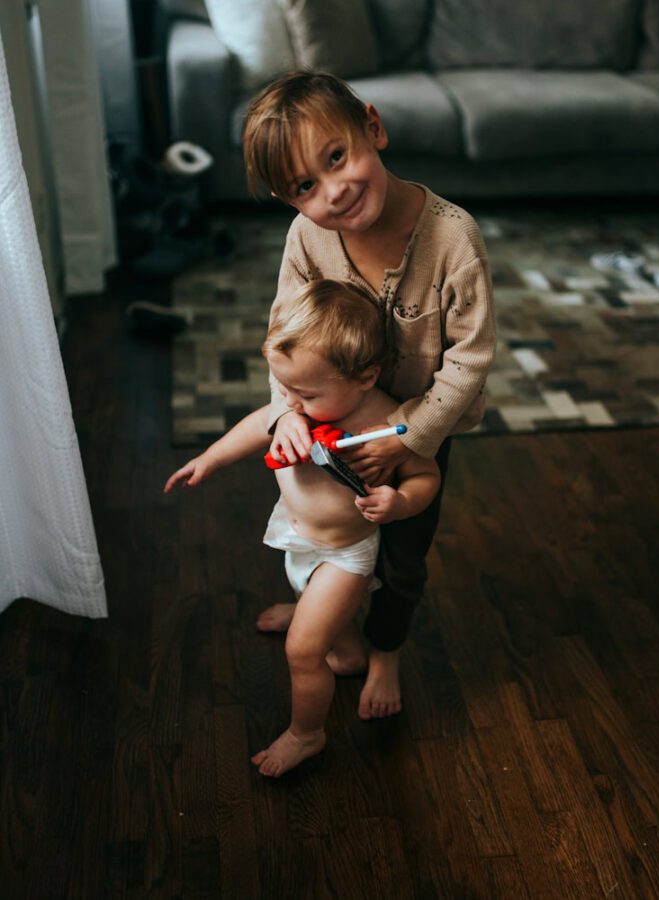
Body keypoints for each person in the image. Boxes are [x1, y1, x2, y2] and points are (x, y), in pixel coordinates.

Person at [243, 71, 496, 721]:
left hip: (415, 434)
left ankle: (384, 650)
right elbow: (283, 334)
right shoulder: (307, 239)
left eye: (337, 157)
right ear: (286, 200)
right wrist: (287, 411)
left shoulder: (452, 237)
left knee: (402, 555)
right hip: (332, 417)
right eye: (305, 186)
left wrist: (409, 438)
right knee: (319, 524)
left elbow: (470, 356)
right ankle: (321, 610)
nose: (334, 189)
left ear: (373, 129)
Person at [164, 279, 440, 777]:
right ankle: (347, 650)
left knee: (303, 650)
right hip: (298, 538)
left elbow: (426, 476)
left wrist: (400, 502)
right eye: (282, 386)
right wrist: (210, 459)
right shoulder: (296, 404)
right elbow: (259, 423)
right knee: (323, 623)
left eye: (305, 393)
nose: (289, 402)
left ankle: (307, 734)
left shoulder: (385, 423)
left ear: (364, 377)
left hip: (343, 555)